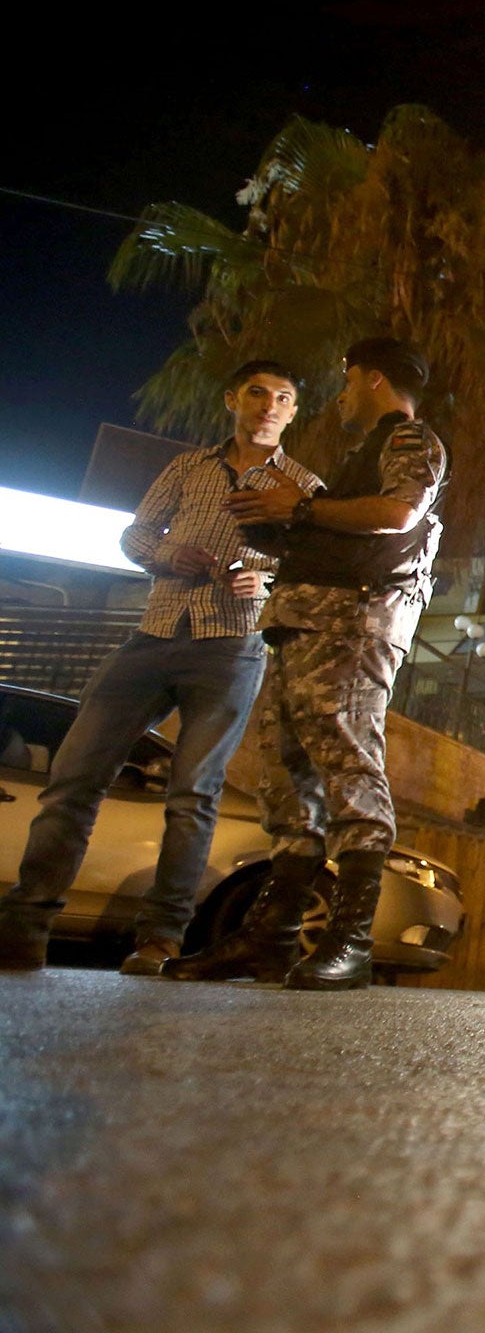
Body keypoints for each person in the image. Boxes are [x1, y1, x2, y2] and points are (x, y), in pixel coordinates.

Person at [0, 361, 316, 975]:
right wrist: (173, 553)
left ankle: (161, 940)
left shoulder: (303, 486)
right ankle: (26, 925)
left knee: (193, 793)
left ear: (294, 413)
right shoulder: (188, 467)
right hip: (153, 632)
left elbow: (307, 567)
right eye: (257, 393)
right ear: (233, 399)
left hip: (230, 645)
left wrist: (267, 579)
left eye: (283, 398)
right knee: (72, 777)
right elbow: (135, 535)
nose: (269, 406)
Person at [166, 337, 446, 991]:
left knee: (350, 763)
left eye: (348, 383)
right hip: (302, 622)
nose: (342, 397)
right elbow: (339, 524)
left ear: (373, 380)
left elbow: (400, 512)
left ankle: (350, 941)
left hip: (352, 622)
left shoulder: (409, 438)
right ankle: (270, 938)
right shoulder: (362, 453)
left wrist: (296, 508)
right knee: (287, 783)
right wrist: (281, 531)